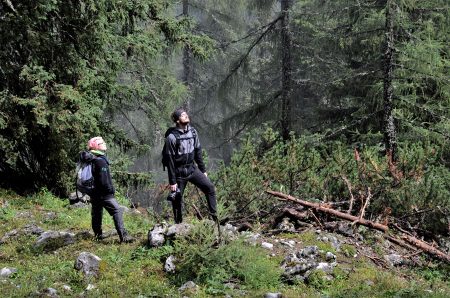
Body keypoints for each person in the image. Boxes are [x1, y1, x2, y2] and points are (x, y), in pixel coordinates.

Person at [165, 108, 217, 224]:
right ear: (177, 120)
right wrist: (172, 182)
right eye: (183, 115)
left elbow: (198, 151)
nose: (186, 116)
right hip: (179, 173)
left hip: (192, 169)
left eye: (186, 114)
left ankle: (215, 219)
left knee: (210, 188)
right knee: (177, 199)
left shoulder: (193, 132)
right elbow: (170, 161)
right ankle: (178, 226)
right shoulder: (171, 137)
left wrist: (203, 170)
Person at [80, 136, 134, 243]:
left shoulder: (92, 158)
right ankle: (124, 236)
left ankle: (97, 235)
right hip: (104, 193)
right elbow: (103, 180)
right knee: (117, 210)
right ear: (96, 146)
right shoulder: (100, 161)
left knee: (96, 212)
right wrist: (110, 191)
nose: (104, 143)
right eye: (102, 143)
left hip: (93, 192)